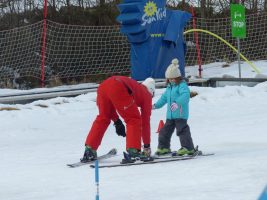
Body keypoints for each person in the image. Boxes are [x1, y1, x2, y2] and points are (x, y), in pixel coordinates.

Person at [80, 76, 155, 162]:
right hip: (117, 85)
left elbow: (112, 103)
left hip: (103, 86)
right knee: (134, 119)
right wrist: (146, 146)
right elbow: (145, 122)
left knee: (103, 117)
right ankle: (133, 151)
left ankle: (90, 150)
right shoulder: (147, 95)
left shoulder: (136, 87)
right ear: (152, 92)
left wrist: (117, 121)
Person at [153, 58, 195, 156]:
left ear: (178, 77)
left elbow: (185, 95)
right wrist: (156, 105)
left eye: (173, 78)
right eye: (169, 79)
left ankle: (188, 148)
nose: (171, 80)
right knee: (164, 131)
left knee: (182, 131)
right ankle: (163, 147)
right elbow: (164, 98)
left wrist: (177, 103)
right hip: (170, 116)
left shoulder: (182, 85)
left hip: (180, 114)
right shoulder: (169, 87)